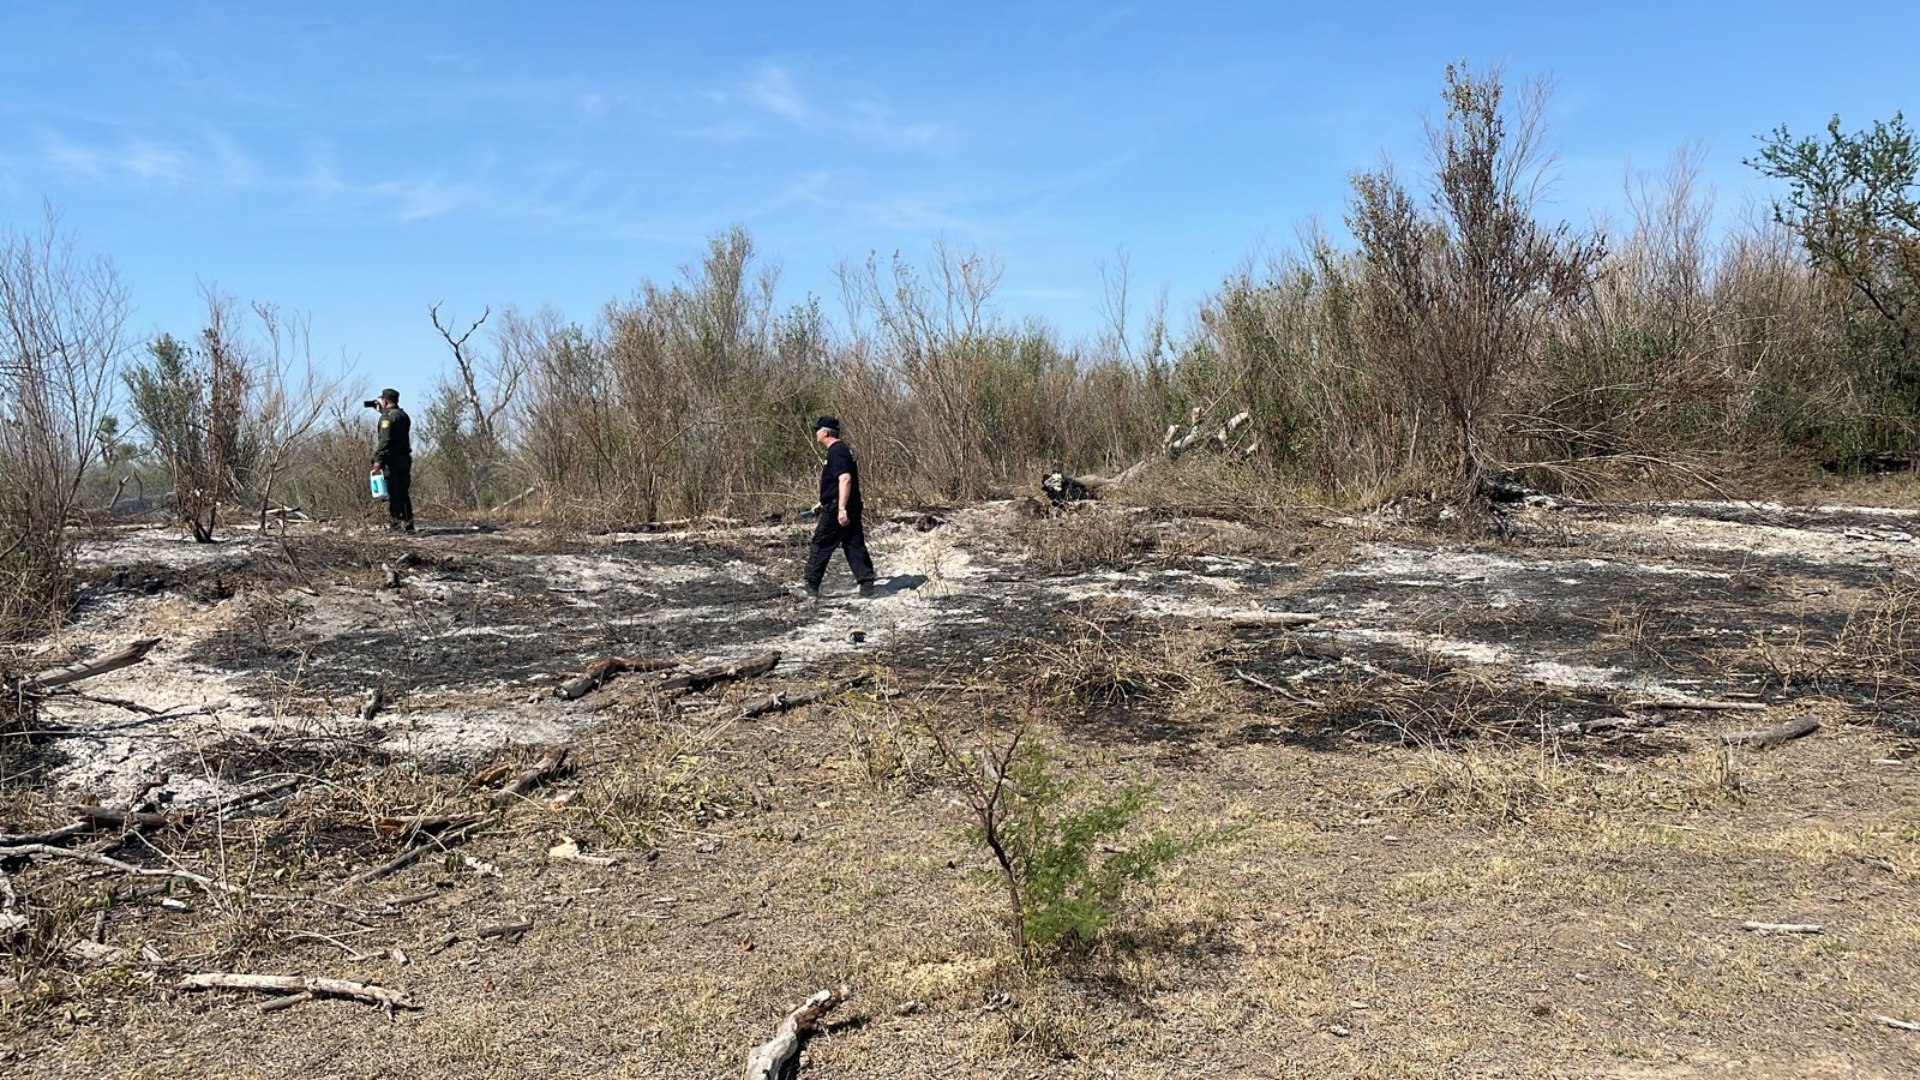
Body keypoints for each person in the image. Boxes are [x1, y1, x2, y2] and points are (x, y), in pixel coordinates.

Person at [804, 416, 877, 599]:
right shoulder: (843, 450)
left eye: (818, 429)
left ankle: (811, 586)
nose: (816, 433)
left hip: (839, 507)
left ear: (826, 432)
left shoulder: (836, 451)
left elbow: (845, 479)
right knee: (853, 543)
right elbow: (837, 482)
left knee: (821, 543)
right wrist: (823, 502)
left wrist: (841, 508)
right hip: (846, 504)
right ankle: (867, 584)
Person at [370, 388, 414, 533]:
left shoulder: (387, 418)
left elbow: (385, 440)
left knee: (393, 493)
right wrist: (383, 412)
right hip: (405, 459)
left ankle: (395, 525)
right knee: (403, 492)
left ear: (385, 401)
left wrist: (378, 460)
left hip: (392, 461)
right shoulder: (403, 415)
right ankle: (408, 525)